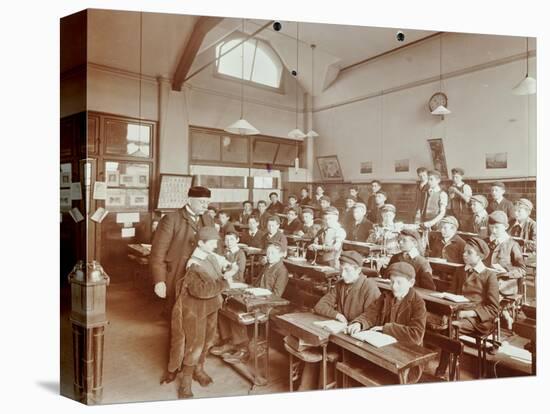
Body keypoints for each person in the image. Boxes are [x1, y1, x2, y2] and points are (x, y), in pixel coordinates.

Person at [164, 227, 237, 398]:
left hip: (211, 306)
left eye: (216, 242)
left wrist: (228, 266)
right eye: (212, 243)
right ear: (200, 244)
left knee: (208, 340)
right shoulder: (194, 264)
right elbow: (201, 291)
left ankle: (199, 369)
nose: (215, 245)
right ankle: (185, 384)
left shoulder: (209, 255)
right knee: (194, 345)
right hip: (194, 309)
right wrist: (225, 281)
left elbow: (221, 262)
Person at [296, 251, 382, 390]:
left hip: (357, 342)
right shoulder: (341, 284)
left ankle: (318, 388)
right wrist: (337, 315)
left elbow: (372, 317)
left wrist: (357, 324)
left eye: (347, 270)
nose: (342, 274)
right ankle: (306, 389)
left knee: (324, 353)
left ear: (358, 270)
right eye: (341, 270)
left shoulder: (369, 287)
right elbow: (320, 306)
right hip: (340, 335)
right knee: (315, 347)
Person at [212, 242, 289, 363]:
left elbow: (276, 295)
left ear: (280, 255)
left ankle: (243, 349)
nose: (269, 255)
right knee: (225, 308)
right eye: (268, 253)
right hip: (255, 298)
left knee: (238, 313)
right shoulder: (267, 266)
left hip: (267, 305)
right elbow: (255, 284)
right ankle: (230, 341)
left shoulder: (281, 271)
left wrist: (257, 293)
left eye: (273, 253)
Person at [434, 237, 499, 379]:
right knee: (438, 323)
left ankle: (443, 371)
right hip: (457, 313)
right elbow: (451, 295)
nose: (464, 255)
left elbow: (494, 308)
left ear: (480, 256)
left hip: (479, 319)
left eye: (469, 253)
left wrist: (469, 313)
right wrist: (447, 311)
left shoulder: (489, 275)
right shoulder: (460, 271)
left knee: (450, 329)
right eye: (464, 252)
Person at [150, 186, 215, 317]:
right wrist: (159, 281)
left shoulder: (208, 219)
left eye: (207, 203)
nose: (205, 206)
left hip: (201, 274)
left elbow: (214, 247)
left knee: (197, 315)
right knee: (176, 315)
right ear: (190, 200)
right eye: (202, 202)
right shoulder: (171, 219)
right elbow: (158, 252)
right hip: (177, 274)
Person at [349, 262, 427, 346]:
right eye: (392, 282)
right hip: (384, 343)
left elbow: (416, 335)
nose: (394, 286)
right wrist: (360, 323)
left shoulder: (418, 304)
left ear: (411, 283)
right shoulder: (385, 296)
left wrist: (385, 328)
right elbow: (371, 314)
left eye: (399, 283)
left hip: (407, 349)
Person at [486, 211, 526, 308]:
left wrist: (506, 272)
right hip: (486, 280)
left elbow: (522, 270)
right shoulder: (486, 242)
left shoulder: (512, 245)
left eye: (497, 228)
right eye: (491, 227)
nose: (494, 231)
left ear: (506, 227)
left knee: (484, 295)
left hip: (505, 283)